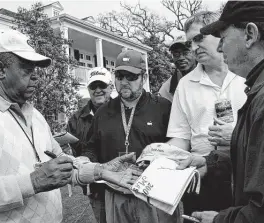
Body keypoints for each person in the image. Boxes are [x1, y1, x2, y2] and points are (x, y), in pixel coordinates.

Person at [0, 29, 141, 223]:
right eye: (27, 69)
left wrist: (101, 170)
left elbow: (64, 163)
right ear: (0, 70)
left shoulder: (35, 115)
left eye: (35, 70)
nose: (36, 77)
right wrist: (32, 182)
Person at [178, 1, 264, 222]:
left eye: (223, 38)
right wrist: (210, 163)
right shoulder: (255, 88)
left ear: (250, 35)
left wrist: (220, 220)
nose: (218, 47)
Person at [82, 49, 182, 223]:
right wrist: (86, 160)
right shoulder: (103, 113)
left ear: (143, 78)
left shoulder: (163, 107)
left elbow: (177, 146)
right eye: (120, 76)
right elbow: (92, 147)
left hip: (154, 194)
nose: (124, 82)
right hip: (116, 194)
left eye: (131, 77)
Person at [166, 11, 247, 217]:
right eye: (190, 42)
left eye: (199, 38)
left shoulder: (247, 74)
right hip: (203, 174)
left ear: (218, 33)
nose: (193, 47)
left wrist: (235, 136)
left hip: (246, 172)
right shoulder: (185, 85)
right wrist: (164, 156)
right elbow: (180, 137)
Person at [67, 67, 113, 223]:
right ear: (88, 89)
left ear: (111, 87)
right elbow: (74, 153)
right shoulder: (76, 119)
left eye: (102, 85)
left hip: (121, 184)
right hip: (95, 187)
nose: (98, 90)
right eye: (94, 86)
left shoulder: (123, 111)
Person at [158, 34, 197, 102]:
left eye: (186, 52)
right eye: (176, 54)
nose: (181, 58)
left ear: (195, 53)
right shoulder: (167, 89)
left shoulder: (211, 75)